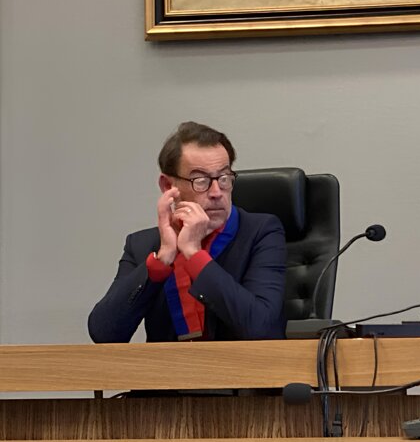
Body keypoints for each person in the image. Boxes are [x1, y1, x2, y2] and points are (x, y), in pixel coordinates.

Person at [89, 122, 287, 343]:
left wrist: (194, 254)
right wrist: (161, 260)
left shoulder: (261, 232)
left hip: (243, 372)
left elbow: (262, 328)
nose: (216, 193)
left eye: (224, 178)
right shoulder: (143, 245)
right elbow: (104, 334)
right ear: (168, 186)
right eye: (200, 181)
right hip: (169, 372)